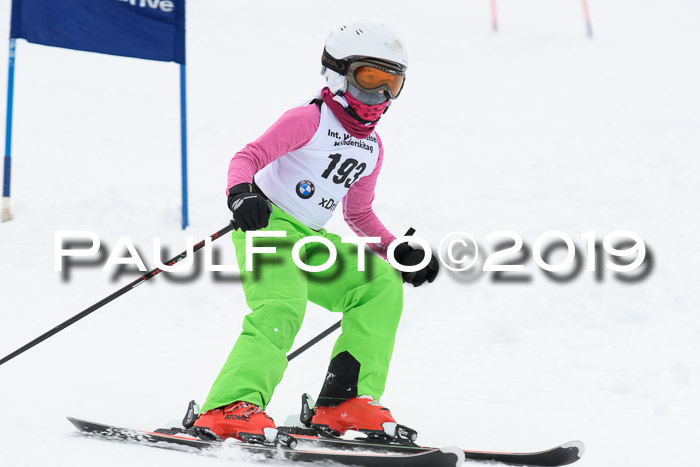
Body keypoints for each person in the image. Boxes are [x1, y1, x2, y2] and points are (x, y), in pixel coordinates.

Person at [193, 19, 439, 442]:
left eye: (391, 84)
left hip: (310, 240)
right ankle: (228, 407)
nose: (379, 95)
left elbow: (359, 214)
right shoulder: (309, 119)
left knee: (379, 284)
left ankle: (345, 402)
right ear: (337, 73)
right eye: (369, 78)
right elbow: (247, 157)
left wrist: (395, 249)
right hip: (266, 227)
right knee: (282, 307)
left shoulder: (371, 148)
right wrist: (241, 195)